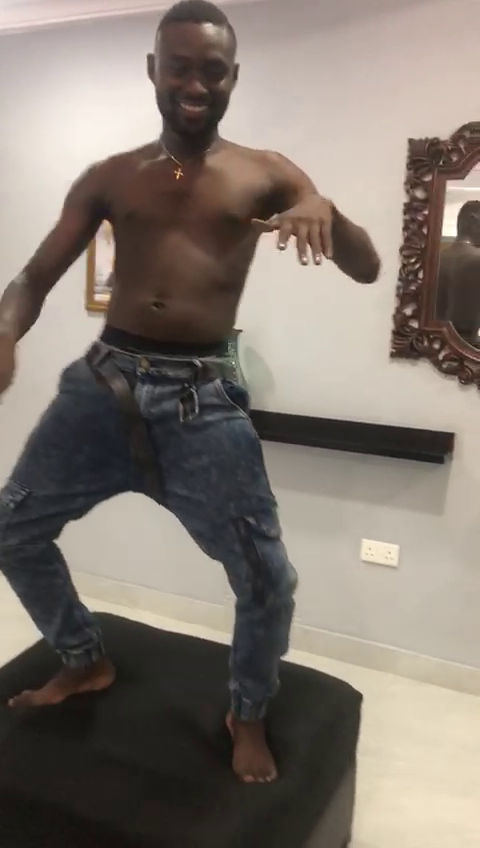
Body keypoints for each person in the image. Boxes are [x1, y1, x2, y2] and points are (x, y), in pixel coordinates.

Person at [0, 0, 380, 784]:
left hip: (202, 400)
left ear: (234, 77)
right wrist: (5, 329)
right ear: (154, 71)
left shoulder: (268, 172)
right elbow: (33, 278)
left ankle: (248, 709)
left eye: (213, 70)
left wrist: (326, 210)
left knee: (268, 579)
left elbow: (367, 266)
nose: (196, 84)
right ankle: (83, 657)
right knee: (11, 530)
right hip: (102, 388)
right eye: (180, 67)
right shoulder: (111, 177)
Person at [437, 200, 480, 346]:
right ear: (474, 221)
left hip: (433, 343)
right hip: (467, 347)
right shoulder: (477, 259)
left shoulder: (436, 258)